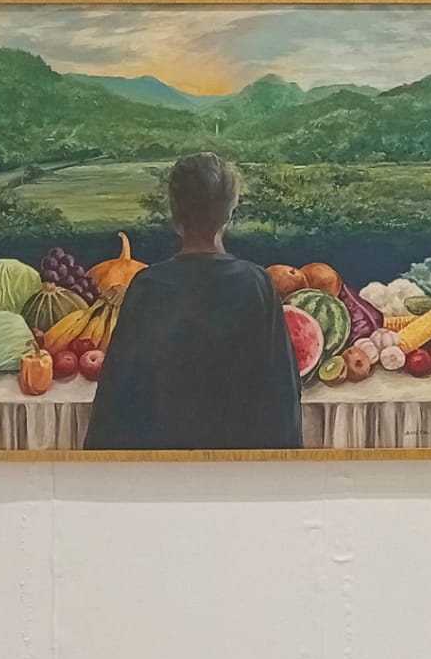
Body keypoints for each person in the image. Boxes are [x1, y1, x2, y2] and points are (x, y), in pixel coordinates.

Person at [85, 153, 302, 451]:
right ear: (230, 213)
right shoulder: (257, 284)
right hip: (238, 468)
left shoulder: (147, 286)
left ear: (175, 213)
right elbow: (282, 397)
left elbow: (114, 402)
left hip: (162, 467)